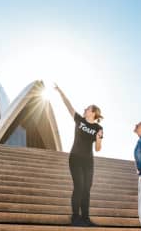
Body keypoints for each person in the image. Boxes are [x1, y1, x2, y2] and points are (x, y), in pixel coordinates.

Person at [55, 84, 103, 227]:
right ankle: (75, 217)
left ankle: (86, 218)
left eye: (88, 108)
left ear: (93, 113)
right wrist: (60, 91)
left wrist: (99, 138)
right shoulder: (79, 120)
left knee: (87, 188)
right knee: (79, 186)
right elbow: (68, 106)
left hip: (88, 161)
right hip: (75, 158)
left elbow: (98, 149)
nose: (85, 109)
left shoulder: (98, 128)